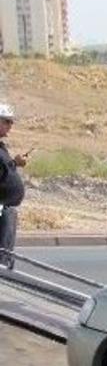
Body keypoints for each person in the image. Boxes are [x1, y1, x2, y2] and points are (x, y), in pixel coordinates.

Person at [0, 103, 29, 270]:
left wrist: (14, 164)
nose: (10, 126)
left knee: (5, 254)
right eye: (6, 121)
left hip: (6, 209)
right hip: (1, 209)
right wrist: (14, 163)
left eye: (11, 122)